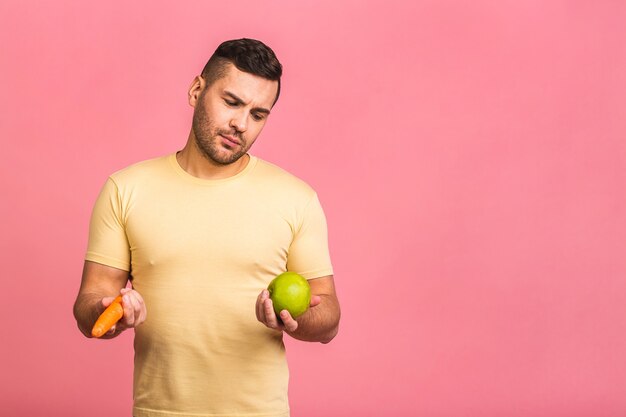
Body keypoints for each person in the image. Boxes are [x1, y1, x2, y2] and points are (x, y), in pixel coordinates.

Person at [73, 38, 341, 417]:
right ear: (197, 90)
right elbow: (90, 301)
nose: (241, 124)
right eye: (232, 102)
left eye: (258, 114)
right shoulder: (126, 189)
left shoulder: (296, 199)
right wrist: (111, 312)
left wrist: (295, 321)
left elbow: (328, 318)